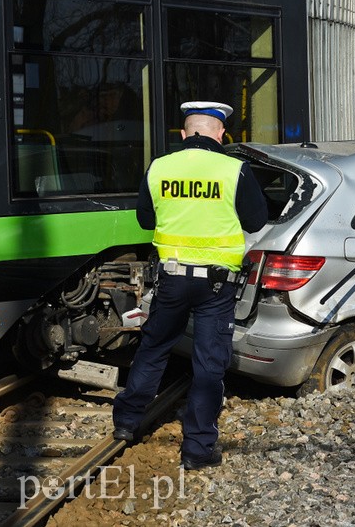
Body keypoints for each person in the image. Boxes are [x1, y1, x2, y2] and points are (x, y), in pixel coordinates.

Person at [113, 101, 268, 470]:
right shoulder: (235, 169)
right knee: (208, 365)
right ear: (221, 134)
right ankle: (197, 450)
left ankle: (126, 422)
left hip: (172, 278)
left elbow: (144, 219)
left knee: (154, 348)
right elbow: (257, 220)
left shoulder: (159, 167)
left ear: (184, 135)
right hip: (217, 286)